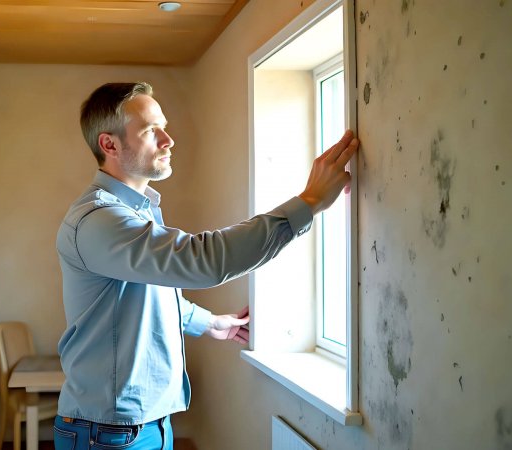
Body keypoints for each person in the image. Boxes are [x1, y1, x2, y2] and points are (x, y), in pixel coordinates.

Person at [53, 82, 358, 449]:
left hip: (140, 427)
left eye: (163, 126)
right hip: (109, 434)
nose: (168, 140)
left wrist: (210, 322)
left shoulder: (137, 211)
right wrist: (308, 202)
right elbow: (202, 259)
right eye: (151, 131)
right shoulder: (99, 220)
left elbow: (140, 299)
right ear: (110, 145)